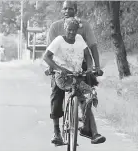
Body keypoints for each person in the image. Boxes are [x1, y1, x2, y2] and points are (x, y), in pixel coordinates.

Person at [46, 1, 105, 145]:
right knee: (56, 94)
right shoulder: (55, 28)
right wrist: (53, 68)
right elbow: (49, 53)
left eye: (70, 9)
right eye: (64, 9)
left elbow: (91, 47)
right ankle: (56, 132)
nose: (67, 11)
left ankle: (90, 130)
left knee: (87, 96)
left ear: (76, 10)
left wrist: (95, 67)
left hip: (79, 66)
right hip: (60, 68)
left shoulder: (83, 27)